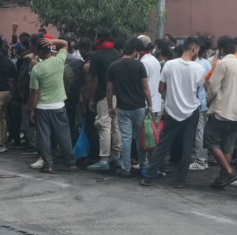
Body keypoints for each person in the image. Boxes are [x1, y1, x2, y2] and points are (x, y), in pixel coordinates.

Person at [149, 37, 209, 187]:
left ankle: (148, 176)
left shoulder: (169, 65)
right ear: (194, 49)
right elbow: (198, 88)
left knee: (163, 144)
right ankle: (180, 180)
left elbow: (161, 89)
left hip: (171, 109)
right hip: (191, 111)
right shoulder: (199, 69)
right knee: (187, 145)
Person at [107, 37, 153, 179]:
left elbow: (109, 89)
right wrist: (150, 104)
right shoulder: (139, 66)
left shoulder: (114, 66)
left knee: (126, 137)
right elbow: (145, 87)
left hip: (122, 107)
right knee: (140, 137)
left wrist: (110, 106)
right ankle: (143, 164)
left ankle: (125, 167)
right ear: (134, 51)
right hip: (139, 106)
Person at [205, 37, 237, 189]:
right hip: (236, 112)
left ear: (222, 51)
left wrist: (208, 101)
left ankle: (229, 172)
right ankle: (222, 178)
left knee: (211, 141)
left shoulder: (222, 64)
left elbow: (213, 87)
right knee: (228, 147)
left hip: (221, 110)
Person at [27, 36, 73, 173]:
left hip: (42, 107)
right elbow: (65, 44)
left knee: (44, 137)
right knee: (64, 135)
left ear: (39, 52)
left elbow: (35, 92)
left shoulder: (37, 69)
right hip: (59, 105)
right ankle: (71, 163)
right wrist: (53, 42)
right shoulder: (59, 61)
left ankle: (48, 164)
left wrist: (31, 109)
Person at [83, 34, 123, 171]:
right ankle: (116, 155)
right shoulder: (117, 54)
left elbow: (93, 79)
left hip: (102, 95)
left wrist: (91, 98)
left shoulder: (96, 55)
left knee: (103, 125)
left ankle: (104, 159)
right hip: (117, 95)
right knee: (115, 125)